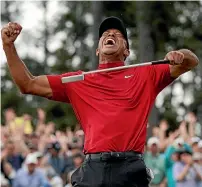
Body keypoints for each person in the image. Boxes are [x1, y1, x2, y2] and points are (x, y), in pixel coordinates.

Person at [1, 16, 199, 187]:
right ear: (97, 49)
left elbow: (191, 61)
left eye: (118, 35)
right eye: (105, 34)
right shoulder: (78, 81)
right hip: (92, 170)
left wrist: (179, 55)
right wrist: (8, 47)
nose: (110, 35)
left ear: (127, 52)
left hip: (130, 170)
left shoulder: (146, 74)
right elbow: (27, 84)